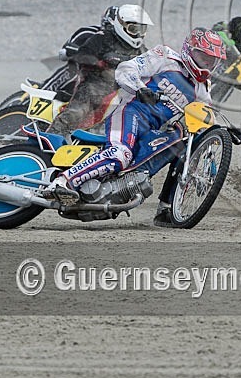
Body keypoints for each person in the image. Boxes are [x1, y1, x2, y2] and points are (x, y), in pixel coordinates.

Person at [45, 28, 227, 228]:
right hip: (131, 112)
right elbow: (126, 69)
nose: (207, 64)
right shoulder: (166, 57)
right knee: (119, 154)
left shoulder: (202, 90)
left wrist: (212, 161)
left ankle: (165, 209)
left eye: (212, 61)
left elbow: (204, 122)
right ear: (189, 50)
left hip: (155, 130)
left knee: (181, 141)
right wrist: (141, 90)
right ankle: (63, 182)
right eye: (203, 57)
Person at [48, 4, 153, 139]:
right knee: (76, 113)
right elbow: (81, 55)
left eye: (142, 30)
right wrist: (99, 63)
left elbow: (152, 66)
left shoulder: (141, 50)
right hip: (94, 87)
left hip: (124, 92)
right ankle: (51, 138)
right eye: (134, 29)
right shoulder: (102, 38)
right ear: (122, 25)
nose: (139, 34)